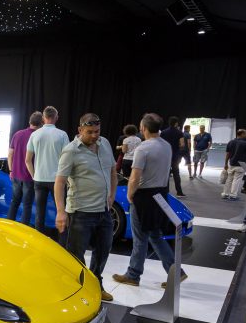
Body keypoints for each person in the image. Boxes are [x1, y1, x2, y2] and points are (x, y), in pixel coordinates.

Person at [113, 113, 187, 288]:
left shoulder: (143, 148)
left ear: (144, 128)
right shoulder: (167, 146)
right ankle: (176, 272)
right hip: (161, 194)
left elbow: (135, 177)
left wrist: (130, 194)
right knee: (154, 235)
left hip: (144, 196)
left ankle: (133, 275)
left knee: (140, 237)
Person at [54, 113, 116, 302]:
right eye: (89, 132)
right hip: (80, 213)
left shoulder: (104, 143)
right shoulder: (71, 151)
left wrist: (112, 195)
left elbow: (113, 170)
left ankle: (96, 284)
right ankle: (76, 293)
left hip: (103, 212)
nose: (94, 135)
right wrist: (60, 211)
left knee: (103, 250)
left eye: (97, 131)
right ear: (80, 130)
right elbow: (60, 182)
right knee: (75, 257)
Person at [26, 106, 70, 234]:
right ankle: (63, 243)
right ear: (56, 117)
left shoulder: (35, 134)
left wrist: (34, 176)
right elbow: (67, 158)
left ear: (43, 118)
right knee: (61, 211)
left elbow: (27, 160)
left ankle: (40, 244)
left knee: (40, 213)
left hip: (39, 179)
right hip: (58, 180)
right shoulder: (62, 135)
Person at [7, 111, 42, 224]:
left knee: (14, 202)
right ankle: (24, 230)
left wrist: (11, 170)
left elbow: (10, 154)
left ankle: (9, 225)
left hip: (15, 174)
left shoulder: (17, 134)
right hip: (29, 176)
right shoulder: (38, 137)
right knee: (27, 205)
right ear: (42, 123)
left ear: (29, 121)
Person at [160, 116, 186, 197]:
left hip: (165, 155)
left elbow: (160, 143)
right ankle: (179, 192)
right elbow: (182, 145)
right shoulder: (179, 132)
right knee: (176, 174)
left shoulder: (163, 132)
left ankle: (165, 191)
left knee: (165, 174)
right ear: (176, 123)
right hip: (175, 155)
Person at [222, 129, 246, 200]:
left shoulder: (231, 142)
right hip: (241, 164)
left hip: (231, 163)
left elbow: (227, 154)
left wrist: (225, 163)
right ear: (242, 134)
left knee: (229, 179)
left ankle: (225, 194)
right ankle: (233, 195)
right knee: (237, 180)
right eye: (245, 133)